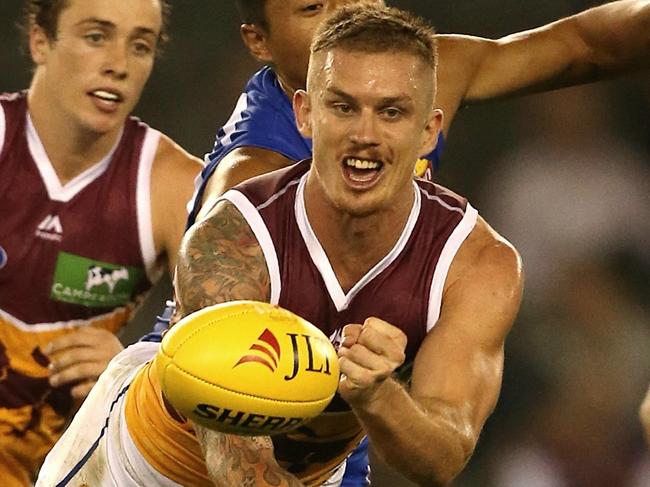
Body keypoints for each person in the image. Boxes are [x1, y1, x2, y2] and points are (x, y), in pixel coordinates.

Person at [37, 5, 523, 486]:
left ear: (429, 131)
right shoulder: (233, 236)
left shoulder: (475, 264)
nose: (365, 136)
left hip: (307, 476)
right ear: (305, 115)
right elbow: (236, 463)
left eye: (391, 112)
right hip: (140, 464)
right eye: (343, 106)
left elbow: (442, 459)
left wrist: (378, 397)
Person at [190, 0, 650, 224]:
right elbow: (227, 359)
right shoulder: (255, 180)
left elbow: (583, 46)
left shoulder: (429, 72)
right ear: (258, 40)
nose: (343, 19)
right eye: (313, 7)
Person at [0, 0, 202, 484]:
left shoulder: (176, 188)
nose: (119, 64)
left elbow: (215, 368)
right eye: (97, 36)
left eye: (141, 46)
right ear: (40, 41)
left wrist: (126, 372)